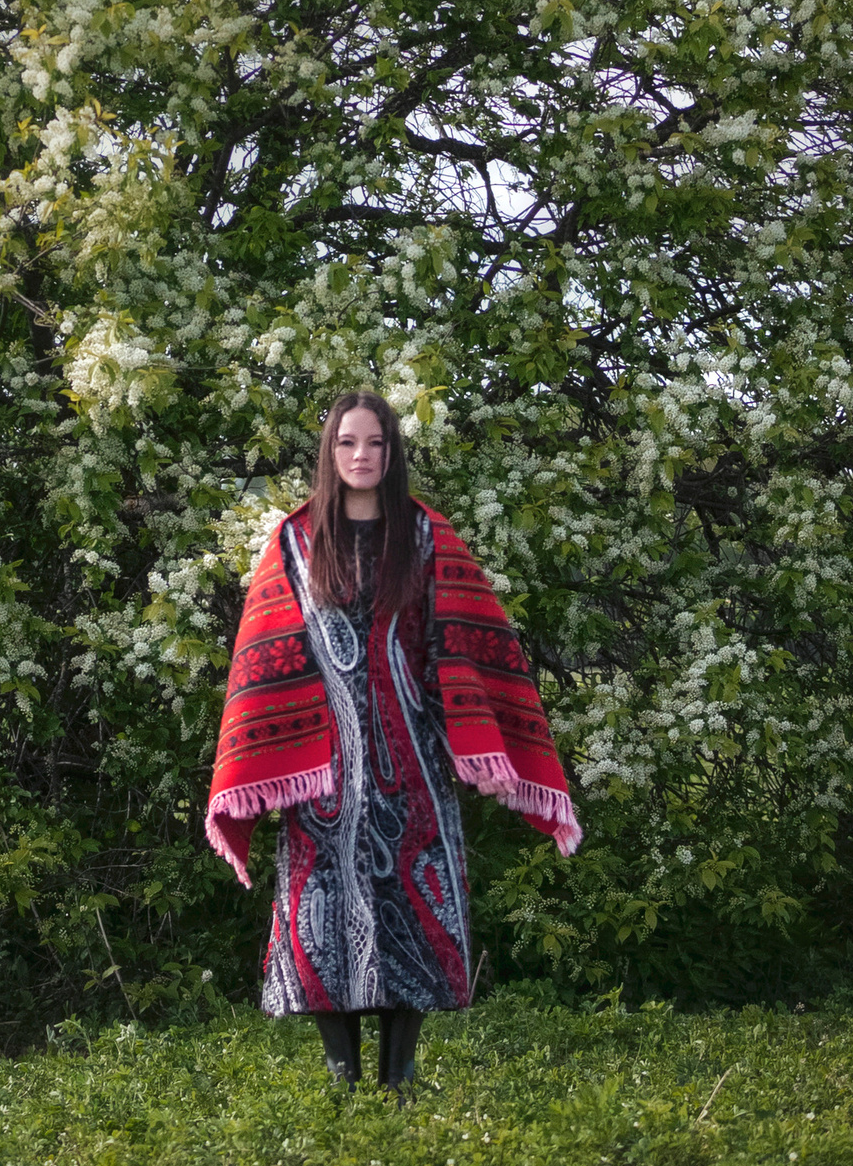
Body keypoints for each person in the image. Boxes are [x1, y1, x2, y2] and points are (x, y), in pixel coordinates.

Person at [204, 392, 580, 1095]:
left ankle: (398, 1076)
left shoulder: (427, 534)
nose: (361, 456)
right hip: (321, 769)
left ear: (392, 452)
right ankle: (344, 1079)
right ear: (330, 453)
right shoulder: (294, 540)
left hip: (414, 762)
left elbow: (469, 637)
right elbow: (265, 655)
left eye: (374, 443)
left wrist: (469, 736)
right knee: (320, 917)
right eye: (347, 443)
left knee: (413, 911)